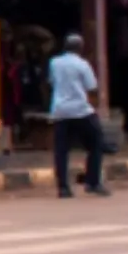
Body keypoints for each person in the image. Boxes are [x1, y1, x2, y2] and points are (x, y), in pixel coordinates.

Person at [48, 34, 108, 198]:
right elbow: (92, 87)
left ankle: (63, 188)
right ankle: (93, 182)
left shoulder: (54, 62)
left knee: (61, 150)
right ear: (80, 48)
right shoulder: (82, 64)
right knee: (96, 143)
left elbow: (51, 82)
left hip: (60, 110)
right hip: (80, 110)